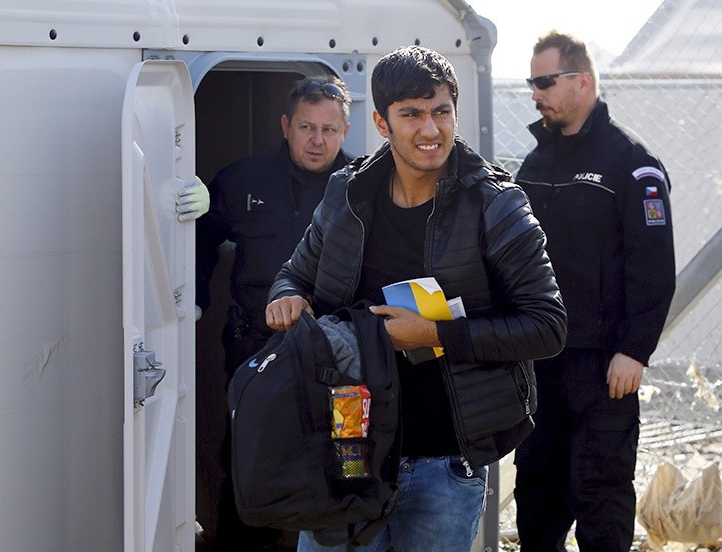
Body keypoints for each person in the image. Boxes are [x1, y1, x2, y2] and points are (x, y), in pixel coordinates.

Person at [265, 45, 567, 552]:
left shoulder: (496, 204)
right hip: (347, 455)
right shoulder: (348, 194)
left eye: (441, 112)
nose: (430, 130)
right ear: (382, 122)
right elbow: (294, 274)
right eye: (411, 115)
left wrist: (432, 335)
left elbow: (548, 325)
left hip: (444, 464)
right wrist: (287, 298)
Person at [513, 31, 676, 552]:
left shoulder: (632, 164)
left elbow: (652, 267)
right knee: (537, 493)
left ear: (581, 81)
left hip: (606, 368)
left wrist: (635, 349)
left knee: (600, 496)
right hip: (541, 360)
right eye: (530, 82)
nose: (534, 93)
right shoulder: (535, 164)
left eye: (544, 81)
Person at [195, 75, 353, 551]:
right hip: (254, 347)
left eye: (329, 128)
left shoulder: (365, 187)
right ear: (285, 125)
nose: (317, 139)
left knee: (341, 460)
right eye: (307, 126)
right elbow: (200, 241)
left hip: (339, 355)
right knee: (249, 455)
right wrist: (193, 300)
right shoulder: (243, 179)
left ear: (346, 130)